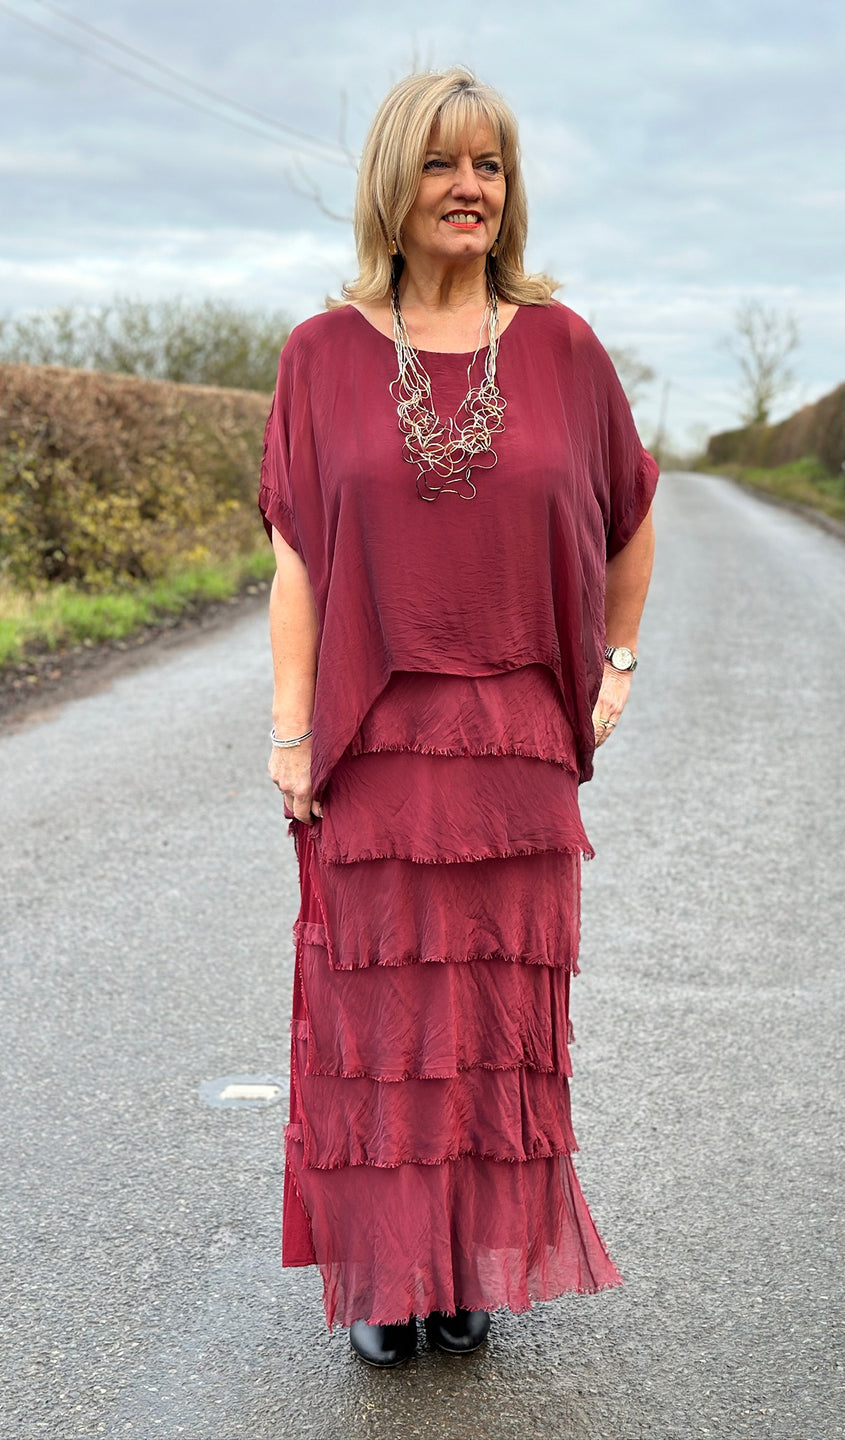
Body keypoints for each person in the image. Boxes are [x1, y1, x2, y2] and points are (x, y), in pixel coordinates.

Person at [259, 67, 657, 1369]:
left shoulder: (564, 345)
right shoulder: (320, 355)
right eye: (443, 163)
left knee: (489, 1019)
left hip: (520, 746)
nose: (470, 188)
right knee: (383, 1025)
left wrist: (615, 661)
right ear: (396, 181)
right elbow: (301, 561)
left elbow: (629, 508)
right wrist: (287, 728)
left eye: (489, 165)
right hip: (377, 742)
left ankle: (467, 1270)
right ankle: (387, 1276)